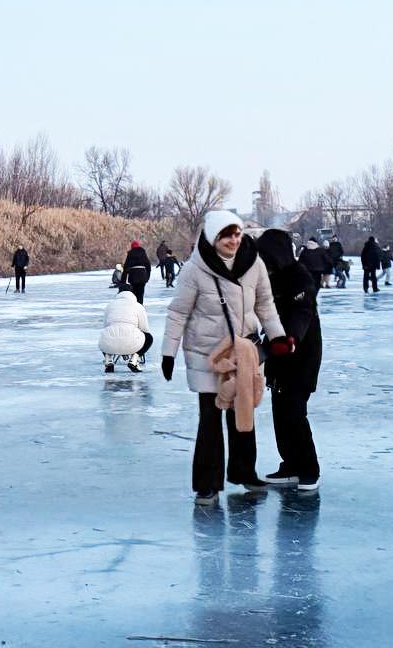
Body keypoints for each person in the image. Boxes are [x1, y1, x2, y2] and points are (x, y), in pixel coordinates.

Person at [160, 210, 291, 506]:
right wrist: (168, 352)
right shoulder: (194, 269)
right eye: (227, 234)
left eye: (237, 234)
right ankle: (207, 484)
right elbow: (178, 311)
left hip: (244, 351)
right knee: (210, 416)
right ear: (213, 236)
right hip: (207, 354)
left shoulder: (253, 263)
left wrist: (278, 336)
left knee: (242, 411)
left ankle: (245, 472)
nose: (234, 240)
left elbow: (266, 305)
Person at [256, 229, 322, 490]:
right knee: (280, 414)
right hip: (278, 355)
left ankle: (308, 470)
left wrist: (291, 338)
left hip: (301, 355)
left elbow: (302, 312)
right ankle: (291, 465)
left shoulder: (299, 276)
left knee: (294, 413)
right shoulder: (267, 279)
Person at [98, 285, 153, 373]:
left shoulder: (109, 305)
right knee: (149, 338)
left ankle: (108, 361)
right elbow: (145, 328)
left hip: (110, 342)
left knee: (105, 337)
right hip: (131, 341)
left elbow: (105, 326)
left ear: (119, 292)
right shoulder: (138, 306)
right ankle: (134, 361)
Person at [123, 240, 152, 304]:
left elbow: (126, 267)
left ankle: (135, 308)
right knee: (141, 294)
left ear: (132, 247)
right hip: (142, 276)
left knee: (134, 293)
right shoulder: (143, 253)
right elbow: (148, 265)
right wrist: (147, 277)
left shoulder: (130, 253)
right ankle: (140, 307)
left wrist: (123, 280)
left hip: (133, 276)